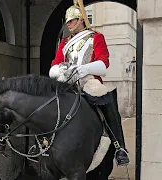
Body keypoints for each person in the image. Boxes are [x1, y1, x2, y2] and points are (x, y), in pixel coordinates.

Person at [48, 0, 129, 166]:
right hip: (67, 82)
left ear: (81, 20)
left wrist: (82, 70)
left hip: (88, 81)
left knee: (106, 97)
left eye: (72, 21)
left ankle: (119, 147)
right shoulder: (64, 43)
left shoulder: (96, 37)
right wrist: (62, 73)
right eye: (67, 21)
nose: (68, 24)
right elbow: (54, 65)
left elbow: (103, 63)